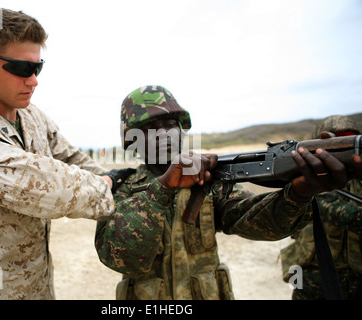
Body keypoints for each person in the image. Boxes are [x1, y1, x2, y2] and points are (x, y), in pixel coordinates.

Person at [95, 85, 362, 300]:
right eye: (152, 128)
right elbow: (122, 258)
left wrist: (298, 194)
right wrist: (163, 188)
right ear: (132, 139)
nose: (165, 133)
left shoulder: (207, 179)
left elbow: (255, 220)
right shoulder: (122, 188)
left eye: (170, 124)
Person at [0, 8, 120, 300]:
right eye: (21, 69)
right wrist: (107, 186)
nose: (33, 80)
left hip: (39, 287)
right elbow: (45, 188)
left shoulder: (32, 117)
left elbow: (72, 160)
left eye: (37, 68)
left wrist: (125, 179)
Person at [280, 115, 362, 300]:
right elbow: (335, 209)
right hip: (309, 270)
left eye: (348, 141)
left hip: (356, 273)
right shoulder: (305, 177)